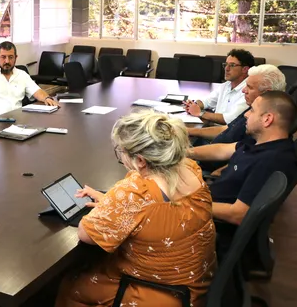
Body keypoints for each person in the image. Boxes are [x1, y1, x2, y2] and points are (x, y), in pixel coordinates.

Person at [56, 112, 216, 307]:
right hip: (194, 283)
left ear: (140, 161)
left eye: (121, 152)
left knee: (71, 284)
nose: (121, 157)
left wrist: (113, 205)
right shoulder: (190, 168)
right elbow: (159, 211)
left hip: (157, 292)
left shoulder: (136, 191)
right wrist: (112, 202)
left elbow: (85, 234)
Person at [189, 91, 297, 225]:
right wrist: (183, 153)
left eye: (252, 110)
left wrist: (188, 204)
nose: (246, 114)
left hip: (206, 221)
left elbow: (238, 214)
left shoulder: (271, 161)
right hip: (204, 200)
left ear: (267, 119)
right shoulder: (259, 142)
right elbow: (221, 150)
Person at [188, 64, 287, 145]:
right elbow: (226, 129)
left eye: (249, 87)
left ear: (266, 93)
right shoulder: (252, 109)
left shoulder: (258, 125)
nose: (244, 90)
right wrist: (190, 131)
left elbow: (229, 152)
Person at [0, 41, 60, 117]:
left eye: (11, 57)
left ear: (16, 57)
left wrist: (47, 98)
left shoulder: (22, 75)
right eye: (3, 57)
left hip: (17, 120)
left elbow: (36, 91)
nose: (7, 61)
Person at [183, 49, 254, 125]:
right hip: (215, 128)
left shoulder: (249, 91)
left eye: (232, 65)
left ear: (245, 69)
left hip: (228, 134)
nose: (226, 69)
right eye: (226, 64)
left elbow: (230, 119)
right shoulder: (226, 85)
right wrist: (193, 105)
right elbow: (206, 101)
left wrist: (200, 113)